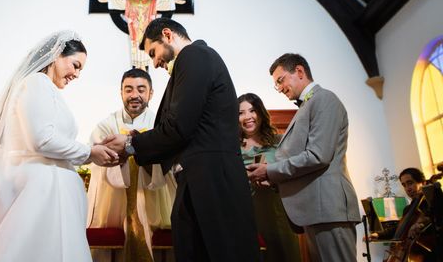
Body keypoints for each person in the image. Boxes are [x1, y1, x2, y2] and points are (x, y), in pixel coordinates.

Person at [0, 31, 119, 261]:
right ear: (56, 55)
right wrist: (89, 152)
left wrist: (92, 152)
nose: (76, 74)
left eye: (80, 70)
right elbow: (41, 140)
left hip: (49, 191)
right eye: (75, 65)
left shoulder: (46, 89)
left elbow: (51, 140)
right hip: (38, 192)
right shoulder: (36, 83)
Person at [104, 18, 259, 262]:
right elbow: (183, 125)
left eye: (153, 52)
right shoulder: (194, 61)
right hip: (199, 177)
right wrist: (134, 140)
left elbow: (179, 127)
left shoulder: (194, 56)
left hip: (212, 178)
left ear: (167, 34)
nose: (155, 63)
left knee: (224, 253)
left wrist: (130, 145)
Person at [247, 53, 360, 262]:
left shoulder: (324, 99)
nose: (279, 88)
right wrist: (271, 178)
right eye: (276, 85)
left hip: (327, 209)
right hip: (315, 211)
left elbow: (318, 156)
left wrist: (270, 170)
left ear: (299, 71)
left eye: (280, 80)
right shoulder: (306, 106)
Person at [87, 68, 176, 262]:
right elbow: (95, 159)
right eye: (128, 89)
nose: (134, 95)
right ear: (121, 92)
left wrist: (137, 149)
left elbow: (171, 162)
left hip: (155, 204)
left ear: (151, 93)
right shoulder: (106, 126)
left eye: (141, 89)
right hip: (114, 206)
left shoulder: (161, 126)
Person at [238, 92, 301, 261]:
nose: (248, 117)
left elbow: (295, 172)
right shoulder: (230, 148)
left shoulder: (280, 142)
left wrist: (273, 177)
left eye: (252, 110)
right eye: (241, 113)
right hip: (244, 216)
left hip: (277, 213)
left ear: (260, 112)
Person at [100, 0, 184, 69]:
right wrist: (108, 0)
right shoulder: (131, 1)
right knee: (136, 49)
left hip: (146, 28)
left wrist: (174, 1)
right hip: (135, 30)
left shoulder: (151, 1)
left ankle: (144, 68)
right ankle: (138, 68)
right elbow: (120, 3)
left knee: (146, 46)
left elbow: (161, 3)